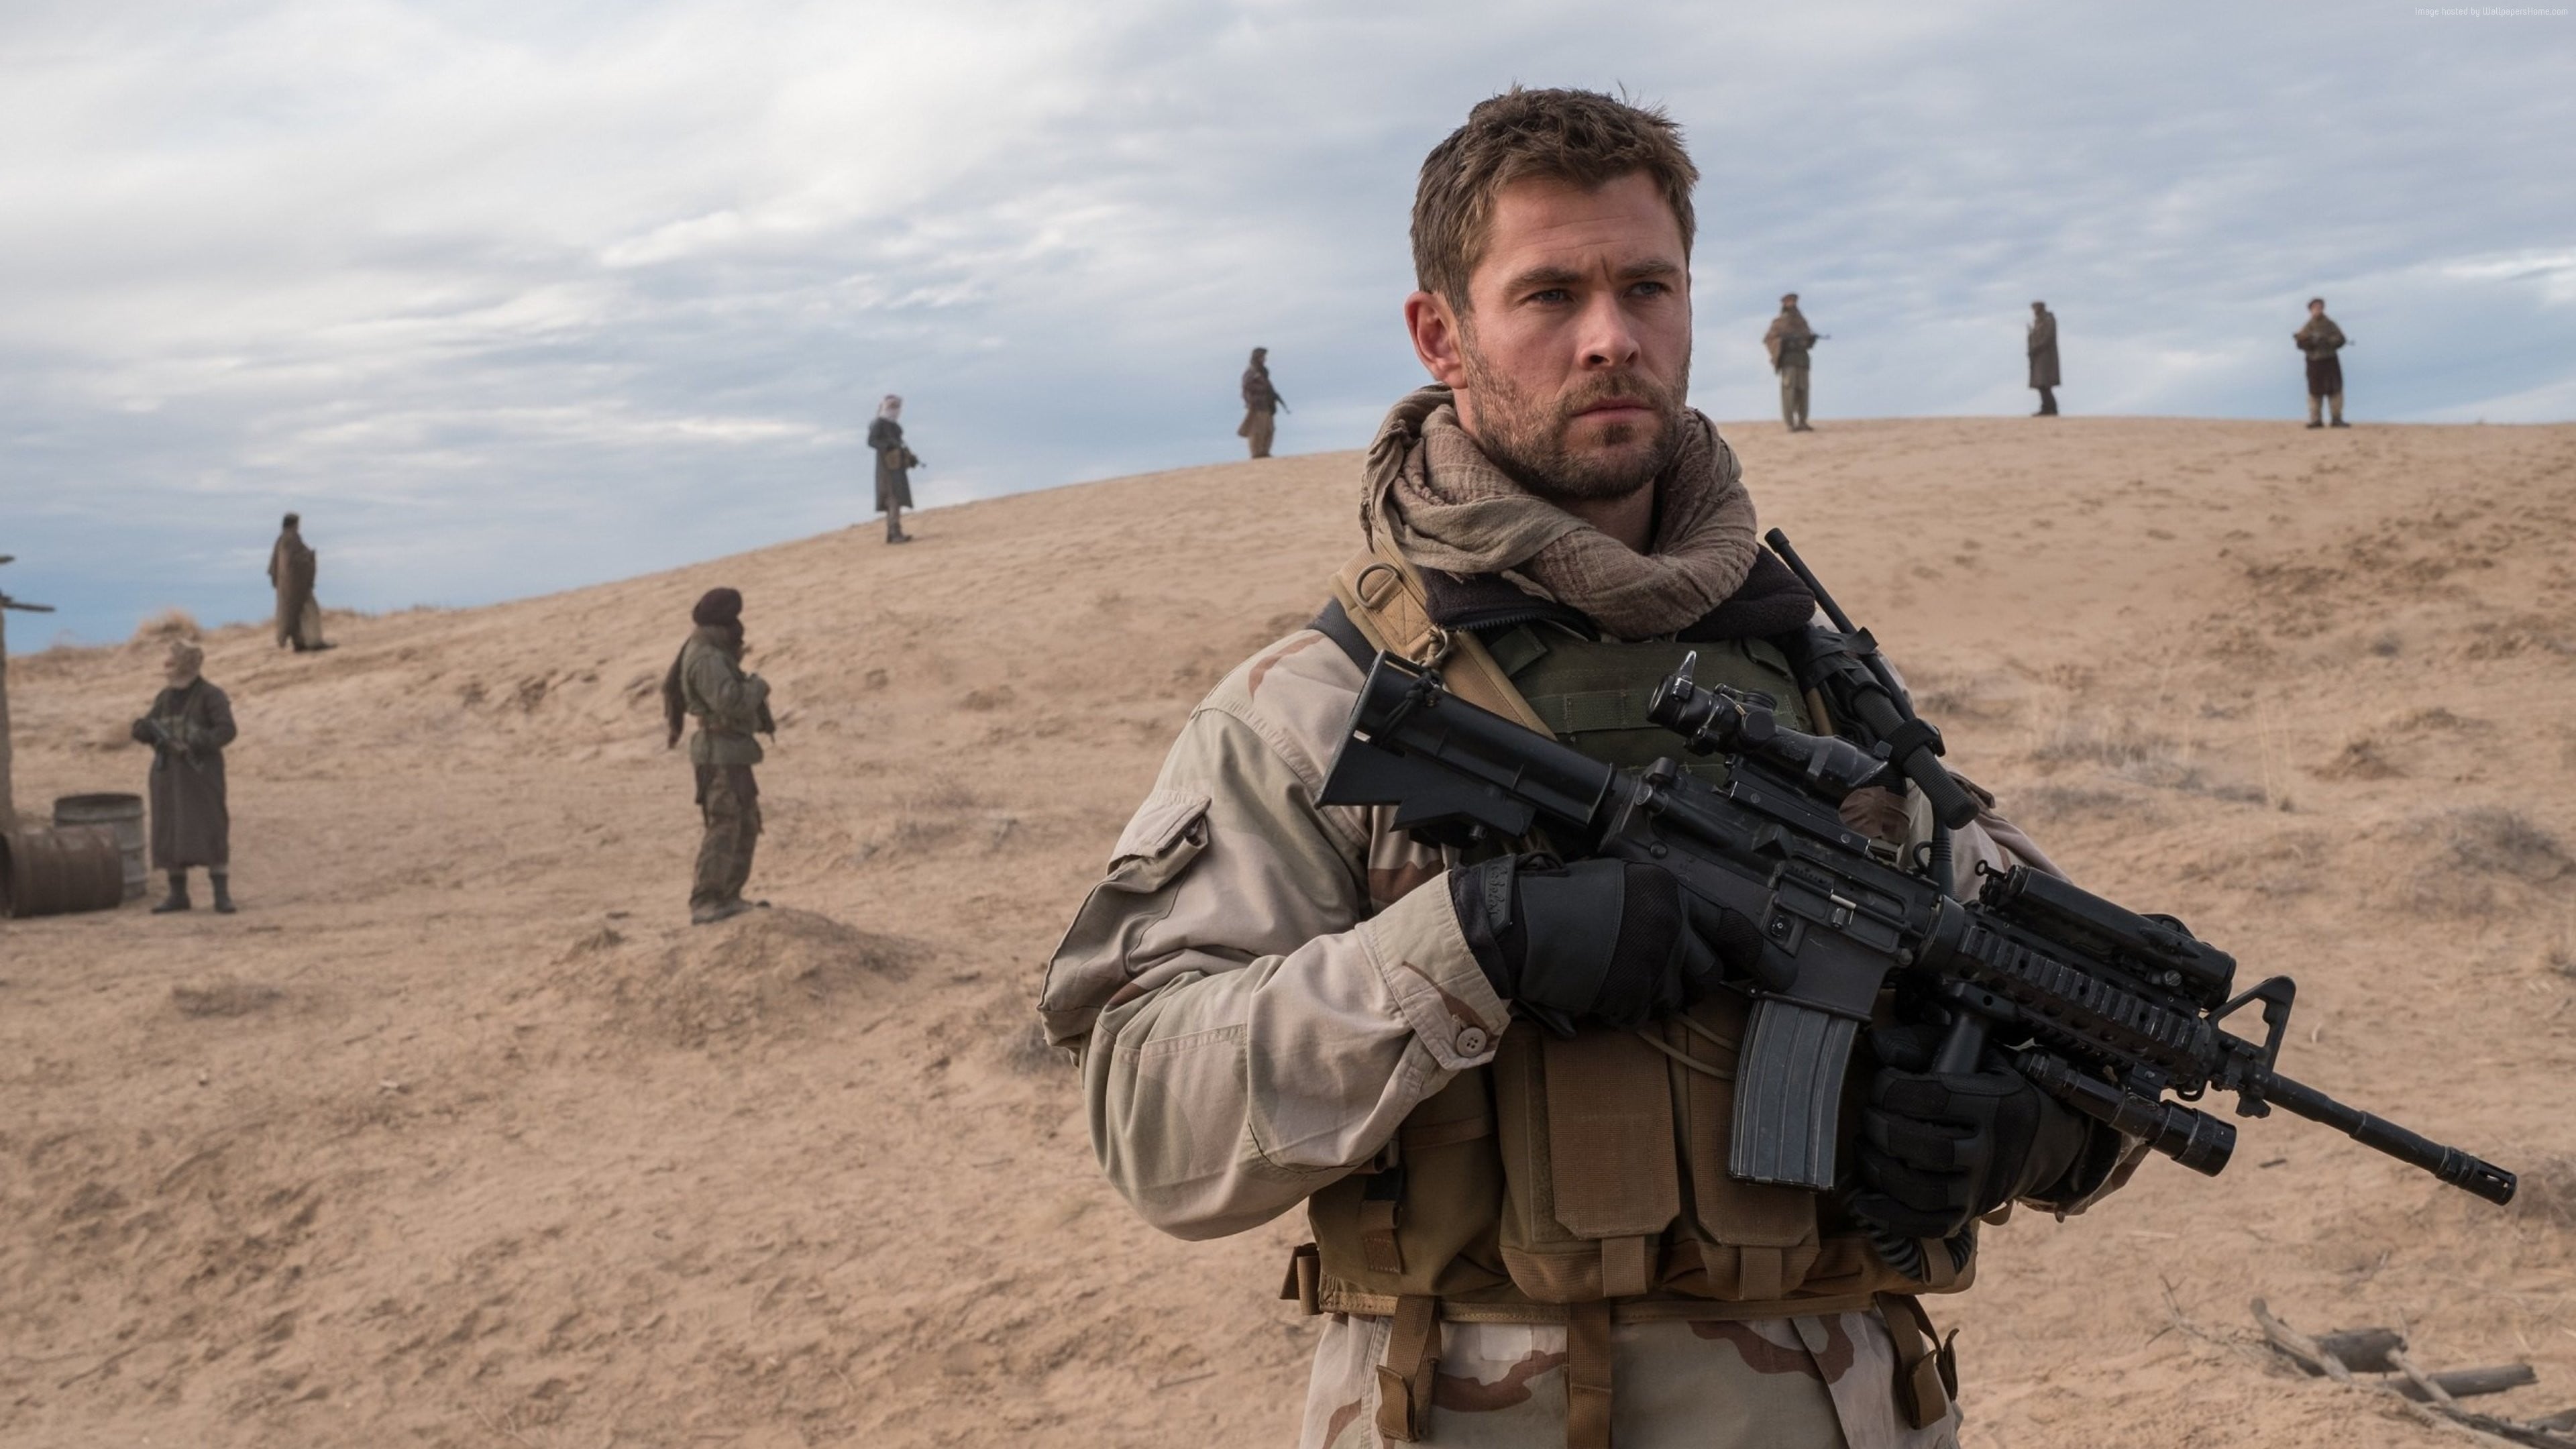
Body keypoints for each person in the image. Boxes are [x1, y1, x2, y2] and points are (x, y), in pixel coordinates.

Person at [1042, 87, 2132, 1449]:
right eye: (1551, 294)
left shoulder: (1825, 680)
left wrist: (2031, 1129)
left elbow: (2084, 1011)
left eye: (1646, 288)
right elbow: (1150, 1116)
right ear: (1441, 334)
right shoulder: (1320, 706)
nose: (1612, 337)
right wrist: (1468, 946)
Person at [661, 588, 773, 925]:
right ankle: (706, 900)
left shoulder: (709, 650)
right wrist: (758, 686)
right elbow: (730, 702)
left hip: (732, 751)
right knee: (724, 824)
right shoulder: (707, 657)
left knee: (746, 823)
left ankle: (729, 896)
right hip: (719, 753)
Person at [130, 639, 237, 913]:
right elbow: (148, 725)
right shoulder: (165, 697)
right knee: (169, 829)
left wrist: (194, 742)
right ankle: (178, 896)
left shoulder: (211, 695)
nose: (166, 665)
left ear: (185, 664)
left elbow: (227, 730)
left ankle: (222, 896)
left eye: (171, 660)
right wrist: (143, 731)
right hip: (167, 776)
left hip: (202, 776)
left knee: (211, 827)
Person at [266, 513, 329, 651]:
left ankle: (300, 642)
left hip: (287, 587)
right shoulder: (291, 539)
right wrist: (310, 557)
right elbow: (295, 561)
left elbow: (274, 567)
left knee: (295, 614)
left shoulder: (281, 540)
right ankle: (314, 642)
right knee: (310, 612)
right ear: (294, 524)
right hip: (297, 586)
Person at [1763, 292, 1821, 431]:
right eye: (1789, 302)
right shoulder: (1779, 322)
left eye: (1794, 301)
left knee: (1803, 392)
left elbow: (1807, 340)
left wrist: (1810, 340)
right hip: (1788, 362)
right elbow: (1769, 339)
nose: (1792, 304)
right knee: (1789, 393)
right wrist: (1783, 342)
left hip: (1803, 361)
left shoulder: (1802, 321)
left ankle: (1802, 422)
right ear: (1784, 303)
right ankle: (1790, 424)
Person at [867, 396, 920, 543]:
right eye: (891, 406)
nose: (895, 409)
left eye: (897, 406)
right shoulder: (879, 423)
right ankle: (894, 533)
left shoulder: (894, 426)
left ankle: (893, 533)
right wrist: (888, 447)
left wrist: (908, 457)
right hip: (886, 468)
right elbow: (872, 441)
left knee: (896, 499)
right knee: (893, 499)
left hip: (897, 467)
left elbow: (899, 443)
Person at [2295, 299, 2349, 429]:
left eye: (2319, 307)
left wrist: (2328, 341)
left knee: (2335, 390)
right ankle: (2315, 420)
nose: (2317, 310)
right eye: (2314, 308)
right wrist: (2310, 342)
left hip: (2330, 361)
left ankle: (2336, 419)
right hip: (2314, 363)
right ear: (2310, 310)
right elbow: (2300, 343)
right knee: (2314, 392)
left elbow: (2341, 339)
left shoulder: (2330, 325)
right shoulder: (2307, 327)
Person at [1240, 346, 1288, 458]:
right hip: (1257, 406)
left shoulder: (1263, 373)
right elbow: (1247, 387)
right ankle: (1257, 454)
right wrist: (1261, 391)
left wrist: (1272, 396)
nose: (1264, 359)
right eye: (1262, 357)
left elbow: (1269, 388)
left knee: (1269, 430)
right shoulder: (1251, 372)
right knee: (1257, 431)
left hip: (1266, 406)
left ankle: (1265, 452)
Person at [2027, 301, 2060, 417]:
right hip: (2039, 358)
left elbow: (2047, 337)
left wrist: (2036, 347)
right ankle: (2046, 408)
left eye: (2035, 308)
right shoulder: (2038, 321)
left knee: (2045, 384)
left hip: (2046, 358)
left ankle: (2051, 409)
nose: (2034, 311)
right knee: (2041, 385)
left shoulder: (2048, 320)